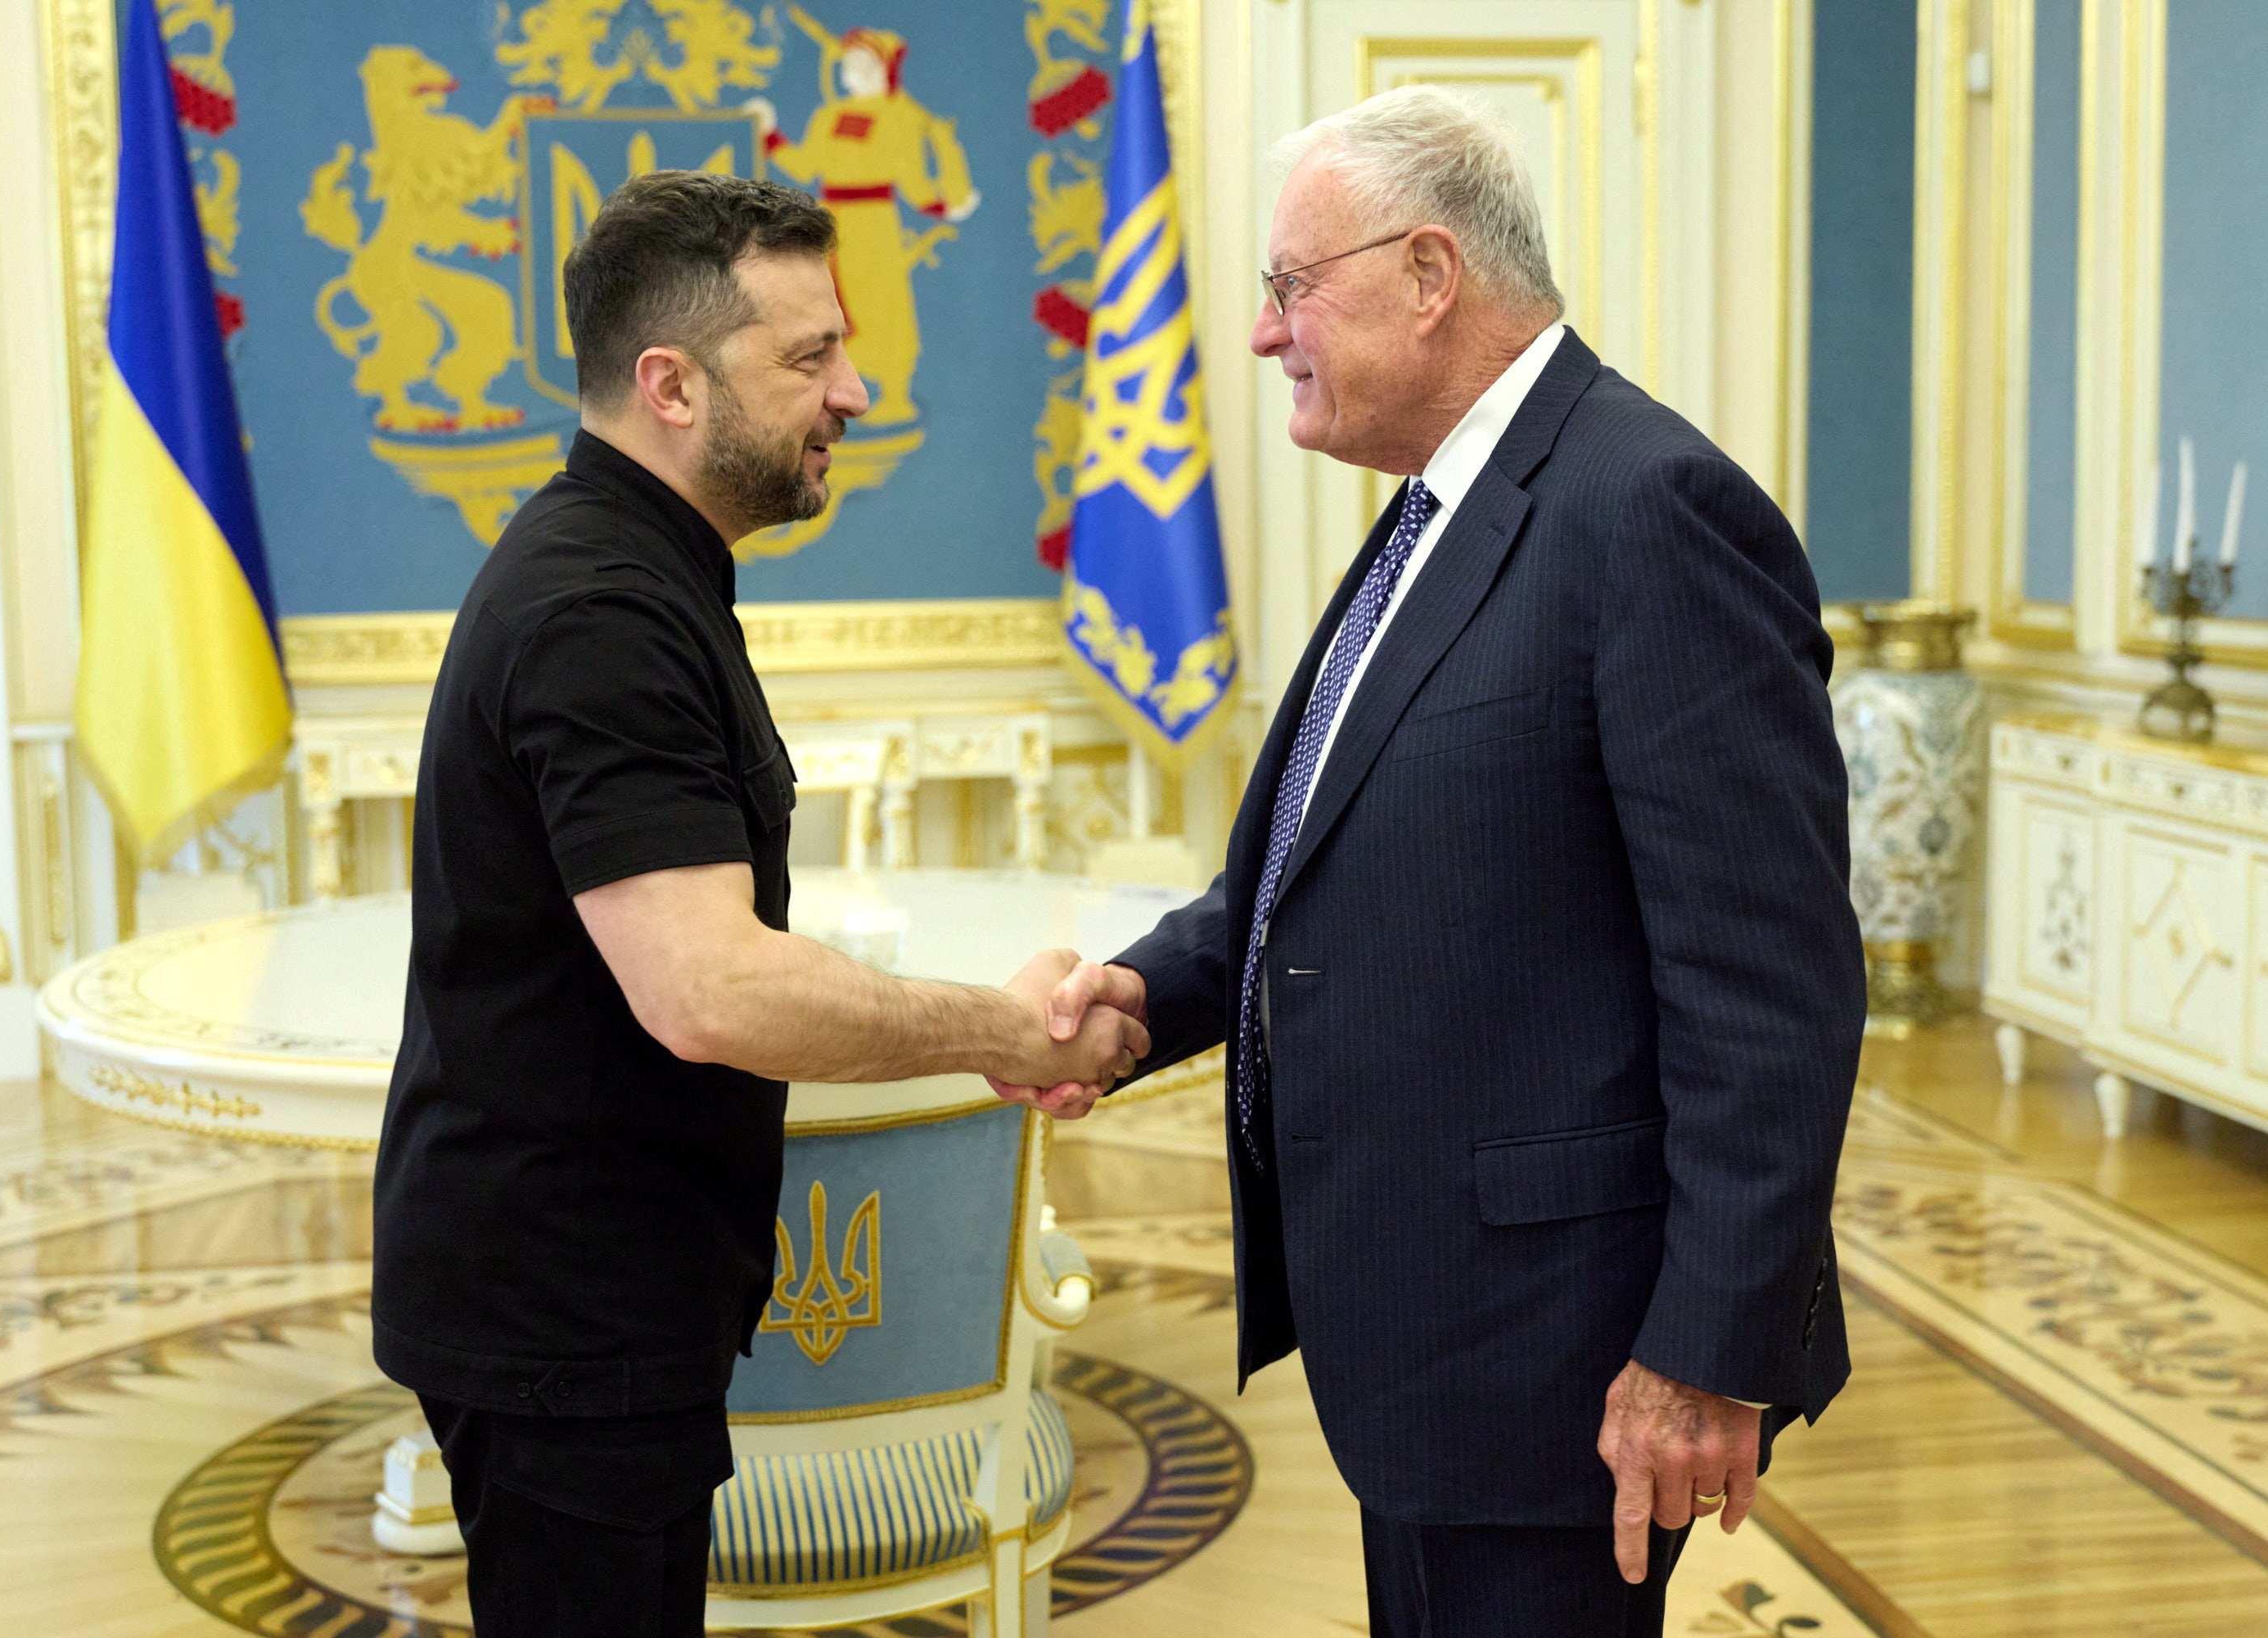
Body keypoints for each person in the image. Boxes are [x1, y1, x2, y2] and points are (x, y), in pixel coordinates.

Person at [999, 87, 1866, 1637]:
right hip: (1430, 1342)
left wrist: (1706, 1349)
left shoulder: (1648, 508)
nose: (1264, 332)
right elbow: (1329, 860)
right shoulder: (1442, 510)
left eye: (1290, 285)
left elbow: (1770, 987)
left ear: (1427, 274)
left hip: (1570, 1362)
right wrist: (1145, 994)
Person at [372, 170, 1147, 1638]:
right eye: (810, 356)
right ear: (670, 385)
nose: (854, 390)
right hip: (566, 1313)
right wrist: (1009, 1032)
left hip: (590, 1297)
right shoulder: (603, 610)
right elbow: (710, 987)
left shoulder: (636, 573)